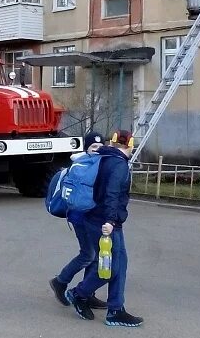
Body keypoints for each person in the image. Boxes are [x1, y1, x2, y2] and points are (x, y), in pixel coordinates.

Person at [64, 130, 143, 328]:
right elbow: (111, 194)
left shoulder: (104, 157)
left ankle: (116, 309)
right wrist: (110, 220)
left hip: (99, 219)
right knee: (109, 268)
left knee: (120, 265)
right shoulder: (119, 165)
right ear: (130, 145)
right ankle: (78, 293)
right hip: (105, 223)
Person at [49, 131, 109, 312]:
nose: (97, 150)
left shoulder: (97, 163)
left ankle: (87, 293)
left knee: (94, 254)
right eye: (93, 147)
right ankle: (60, 282)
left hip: (91, 217)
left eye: (100, 147)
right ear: (87, 148)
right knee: (88, 254)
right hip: (80, 217)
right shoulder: (82, 165)